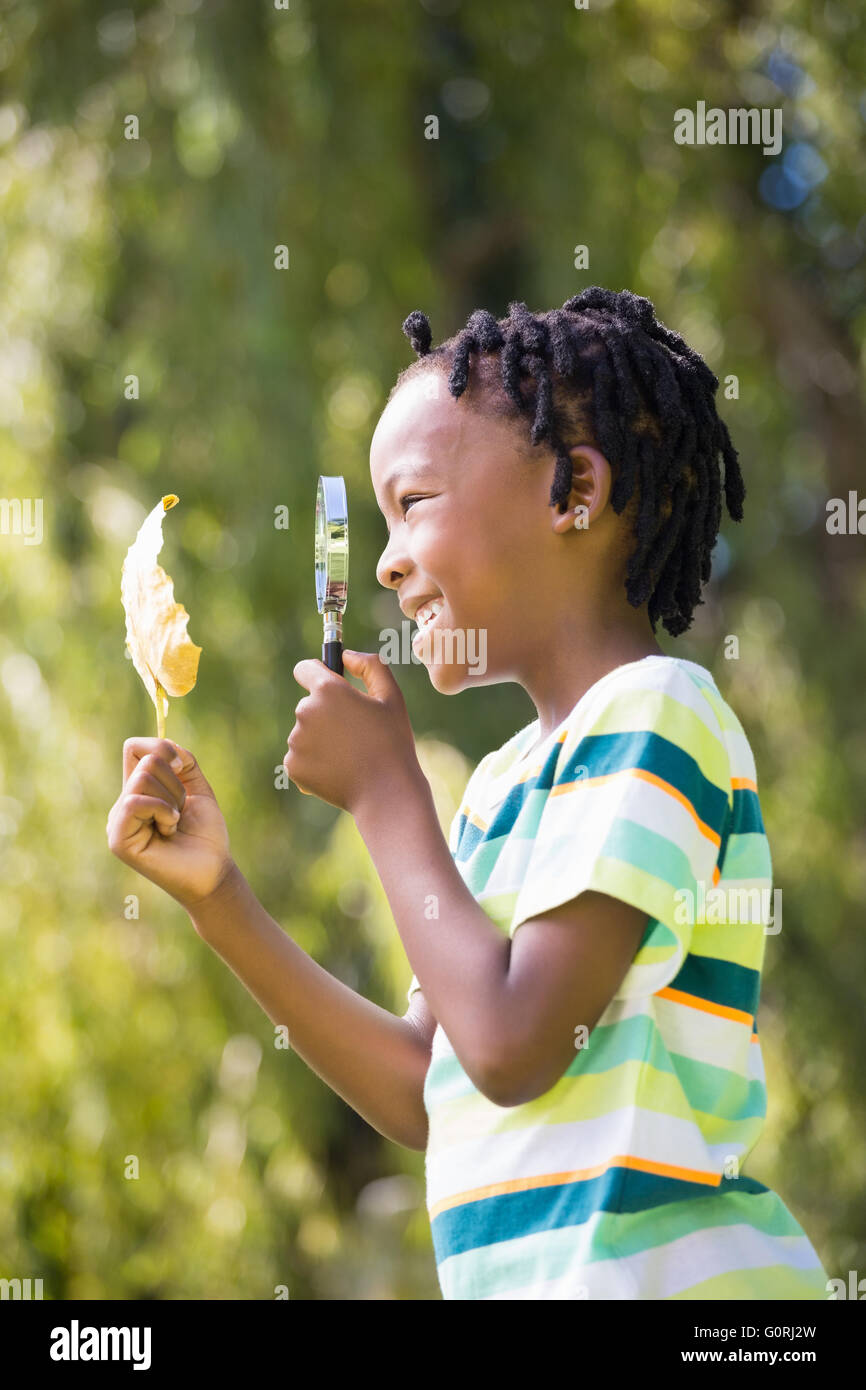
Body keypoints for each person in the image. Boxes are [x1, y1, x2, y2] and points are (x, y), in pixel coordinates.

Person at [107, 287, 829, 1300]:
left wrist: (385, 794)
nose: (388, 562)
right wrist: (218, 898)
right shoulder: (496, 789)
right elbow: (428, 1086)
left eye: (414, 505)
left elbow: (510, 1043)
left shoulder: (659, 715)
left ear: (572, 488)